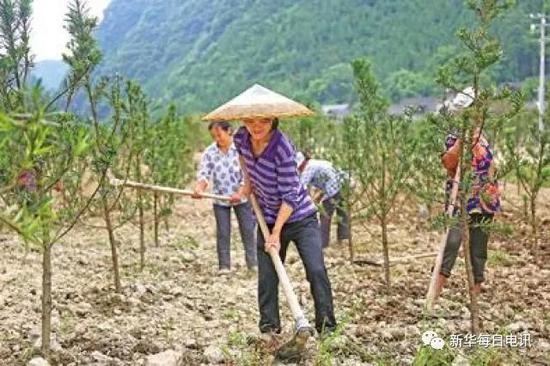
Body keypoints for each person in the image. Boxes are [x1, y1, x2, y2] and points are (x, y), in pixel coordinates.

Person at [233, 117, 337, 338]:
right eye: (250, 121)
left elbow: (290, 196)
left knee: (316, 269)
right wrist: (248, 184)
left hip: (300, 217)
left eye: (263, 121)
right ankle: (270, 329)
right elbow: (242, 157)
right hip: (267, 216)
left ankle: (327, 328)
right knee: (268, 275)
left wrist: (276, 232)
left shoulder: (282, 148)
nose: (256, 126)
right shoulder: (241, 137)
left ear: (273, 121)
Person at [435, 126, 500, 297]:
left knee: (478, 247)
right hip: (461, 199)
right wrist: (462, 141)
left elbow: (491, 165)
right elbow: (449, 163)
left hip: (484, 199)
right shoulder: (453, 136)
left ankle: (475, 295)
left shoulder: (485, 135)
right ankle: (434, 293)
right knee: (451, 242)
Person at [193, 121, 257, 273]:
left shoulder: (241, 149)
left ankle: (253, 264)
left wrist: (240, 192)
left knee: (247, 230)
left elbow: (248, 173)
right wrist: (199, 188)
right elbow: (204, 173)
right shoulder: (210, 152)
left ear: (229, 131)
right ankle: (224, 266)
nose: (217, 139)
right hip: (220, 198)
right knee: (223, 231)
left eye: (219, 135)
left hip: (241, 197)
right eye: (214, 136)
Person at [296, 152, 349, 248]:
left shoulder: (309, 168)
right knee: (342, 212)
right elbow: (323, 183)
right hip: (343, 183)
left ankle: (323, 243)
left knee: (325, 214)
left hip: (335, 186)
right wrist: (315, 199)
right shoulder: (314, 163)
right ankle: (344, 238)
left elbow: (300, 187)